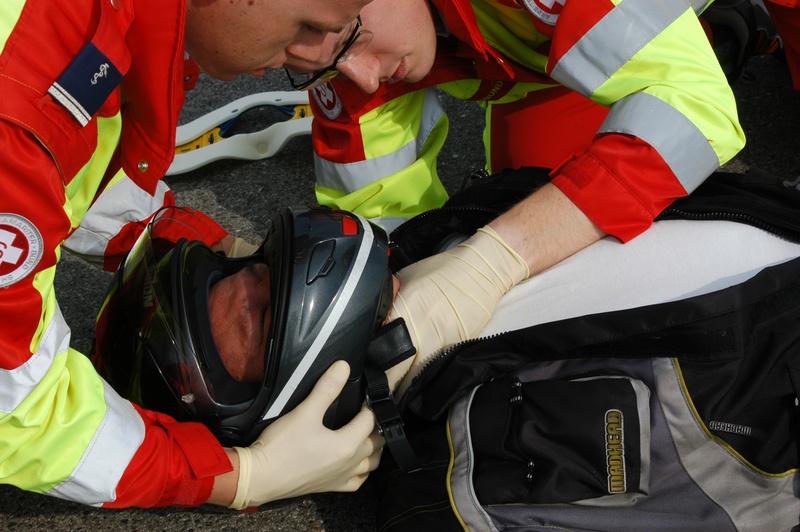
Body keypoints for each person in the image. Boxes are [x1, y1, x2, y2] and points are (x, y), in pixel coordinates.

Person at [0, 0, 386, 510]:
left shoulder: (79, 30)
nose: (313, 56)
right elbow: (18, 408)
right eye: (308, 25)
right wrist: (238, 476)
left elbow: (68, 173)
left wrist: (207, 243)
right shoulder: (22, 113)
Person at [276, 0, 746, 365]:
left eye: (350, 40)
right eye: (331, 61)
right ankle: (694, 38)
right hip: (545, 53)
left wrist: (493, 259)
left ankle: (727, 30)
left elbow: (695, 109)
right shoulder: (339, 50)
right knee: (538, 211)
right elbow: (379, 211)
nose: (364, 77)